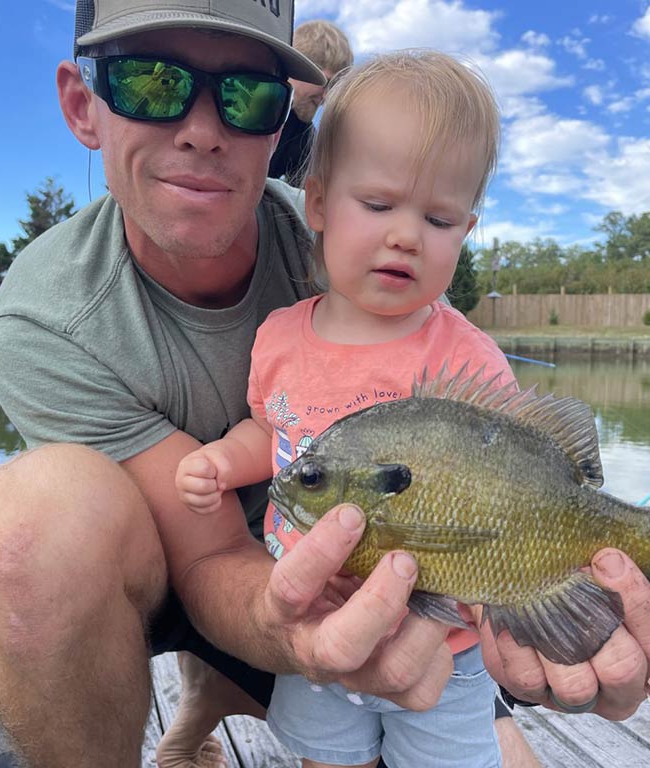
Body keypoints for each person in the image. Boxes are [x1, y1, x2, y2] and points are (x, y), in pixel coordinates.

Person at [0, 1, 650, 767]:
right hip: (183, 575)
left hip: (360, 584)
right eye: (151, 81)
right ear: (82, 105)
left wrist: (536, 624)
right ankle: (205, 696)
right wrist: (297, 631)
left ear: (280, 128)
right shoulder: (45, 319)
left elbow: (480, 447)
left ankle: (215, 697)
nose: (202, 128)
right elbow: (206, 554)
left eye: (246, 93)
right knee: (23, 539)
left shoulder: (358, 256)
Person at [176, 50, 515, 768]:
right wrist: (219, 463)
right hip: (310, 625)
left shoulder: (464, 357)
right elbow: (272, 430)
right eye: (380, 204)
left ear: (466, 229)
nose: (406, 234)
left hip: (444, 644)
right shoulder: (281, 335)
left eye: (440, 217)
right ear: (320, 203)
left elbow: (510, 475)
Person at [268, 20, 352, 187]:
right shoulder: (252, 105)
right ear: (300, 67)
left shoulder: (305, 138)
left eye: (334, 88)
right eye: (326, 82)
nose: (327, 97)